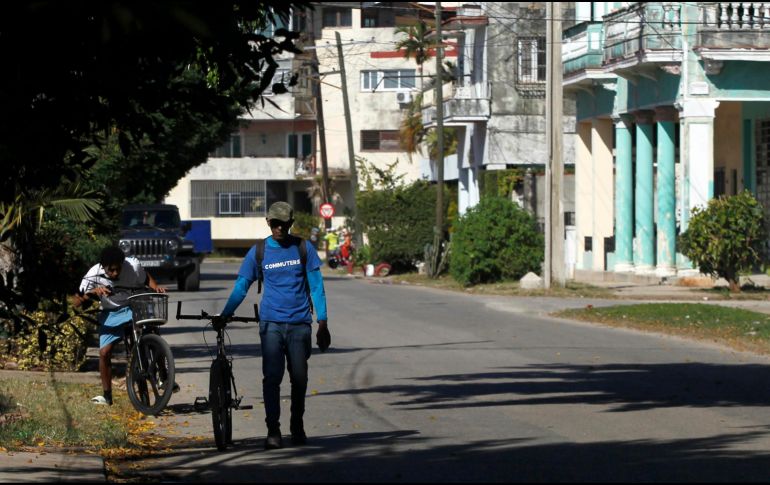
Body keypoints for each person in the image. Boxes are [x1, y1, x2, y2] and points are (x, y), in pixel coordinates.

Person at [216, 201, 330, 450]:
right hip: (271, 325)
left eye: (283, 223)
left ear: (290, 223)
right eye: (274, 223)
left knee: (299, 378)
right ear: (268, 222)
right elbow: (242, 286)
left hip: (300, 324)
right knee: (272, 378)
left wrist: (322, 322)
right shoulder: (258, 252)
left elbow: (317, 286)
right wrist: (225, 314)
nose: (278, 228)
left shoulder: (303, 248)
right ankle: (273, 429)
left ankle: (296, 425)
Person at [72, 245, 167, 405]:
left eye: (118, 269)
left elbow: (146, 278)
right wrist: (93, 292)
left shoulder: (133, 266)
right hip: (112, 312)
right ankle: (107, 396)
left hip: (134, 305)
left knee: (151, 332)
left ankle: (163, 375)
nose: (115, 273)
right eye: (111, 270)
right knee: (104, 353)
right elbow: (76, 301)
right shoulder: (93, 275)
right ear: (103, 267)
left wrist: (156, 287)